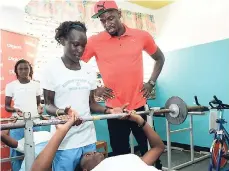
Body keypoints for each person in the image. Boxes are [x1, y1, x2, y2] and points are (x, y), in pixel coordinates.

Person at [81, 0, 165, 168]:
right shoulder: (94, 41)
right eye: (103, 20)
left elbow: (159, 58)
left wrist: (151, 82)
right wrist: (95, 88)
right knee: (120, 154)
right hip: (113, 110)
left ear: (119, 14)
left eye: (110, 18)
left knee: (151, 152)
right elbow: (78, 66)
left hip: (140, 107)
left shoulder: (141, 35)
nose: (107, 24)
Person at [41, 21, 128, 171]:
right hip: (64, 141)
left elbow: (91, 104)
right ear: (63, 40)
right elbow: (48, 105)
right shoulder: (51, 68)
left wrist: (109, 110)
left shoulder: (88, 70)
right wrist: (64, 112)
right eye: (75, 44)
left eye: (83, 45)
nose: (80, 50)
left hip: (88, 138)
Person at [31, 111, 165, 171]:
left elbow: (158, 147)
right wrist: (61, 132)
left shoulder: (129, 159)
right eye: (86, 155)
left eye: (88, 153)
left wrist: (140, 121)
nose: (91, 152)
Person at [5, 59, 43, 171]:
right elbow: (7, 106)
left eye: (26, 68)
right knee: (16, 153)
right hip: (18, 124)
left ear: (30, 69)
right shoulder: (11, 86)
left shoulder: (36, 85)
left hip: (35, 122)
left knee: (37, 150)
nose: (23, 71)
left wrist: (39, 108)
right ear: (16, 71)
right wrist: (15, 110)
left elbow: (38, 103)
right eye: (20, 69)